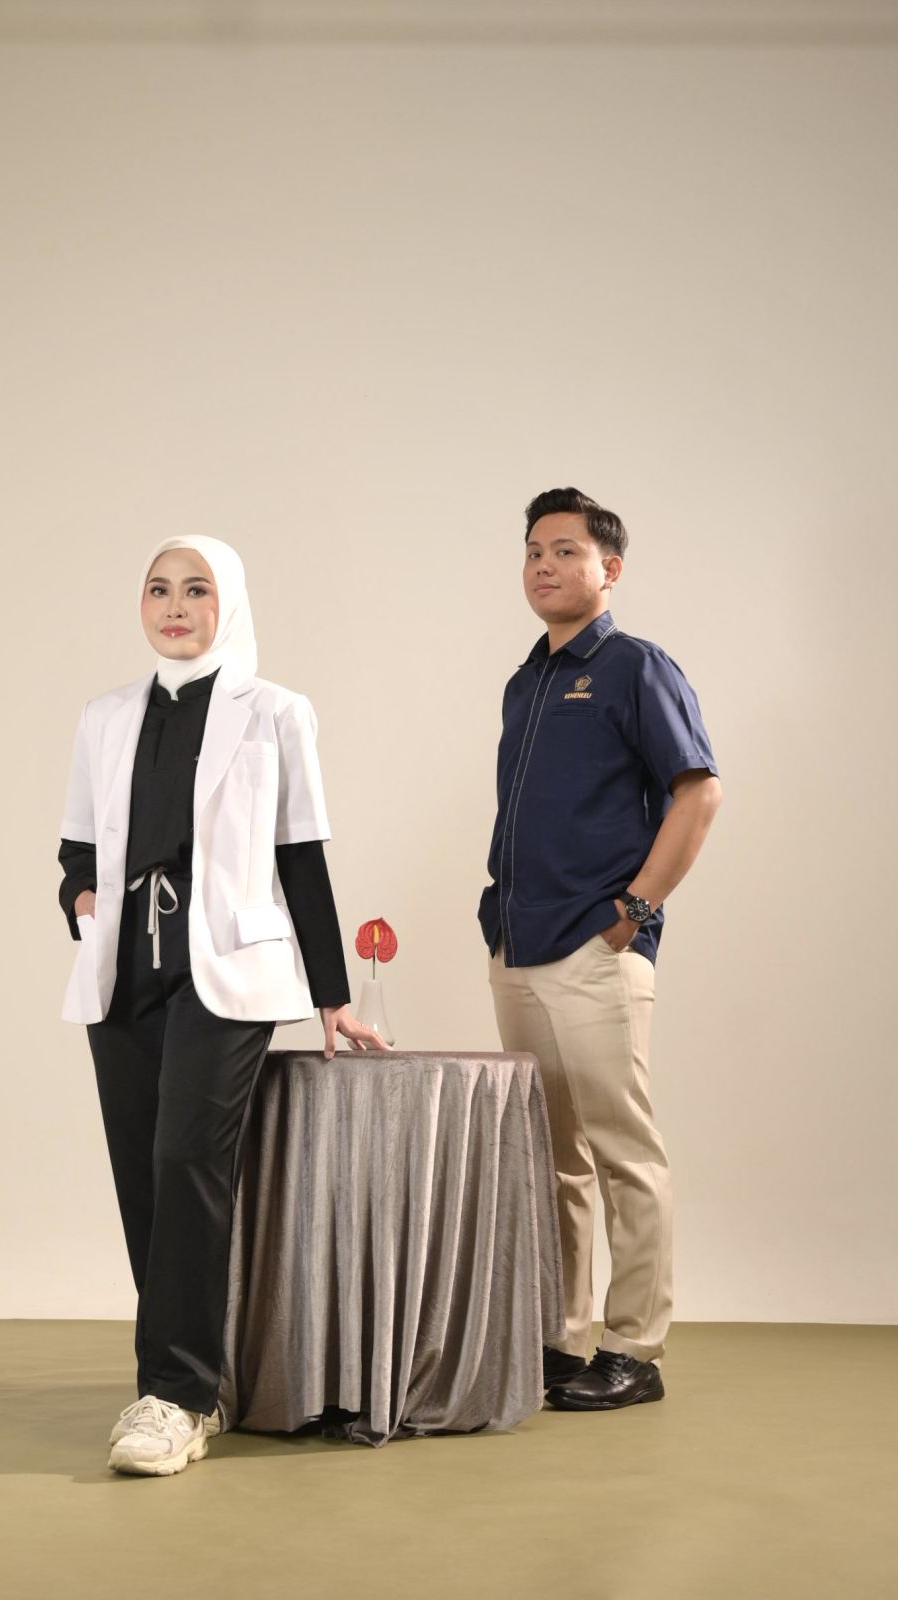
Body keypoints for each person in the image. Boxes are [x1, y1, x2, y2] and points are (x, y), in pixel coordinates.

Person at [57, 535, 389, 1475]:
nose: (175, 606)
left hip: (230, 972)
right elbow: (76, 848)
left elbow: (300, 855)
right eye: (158, 589)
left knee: (186, 1163)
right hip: (126, 969)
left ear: (226, 603)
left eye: (195, 589)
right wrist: (81, 901)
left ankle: (177, 1398)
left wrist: (331, 996)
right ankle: (186, 1378)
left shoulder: (275, 711)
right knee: (142, 1178)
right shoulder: (105, 717)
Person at [479, 487, 721, 1411]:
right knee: (552, 1160)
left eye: (565, 550)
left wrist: (633, 909)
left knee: (623, 1151)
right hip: (518, 944)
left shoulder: (633, 667)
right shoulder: (524, 681)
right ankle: (560, 1337)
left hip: (594, 945)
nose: (543, 565)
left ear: (607, 569)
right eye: (533, 551)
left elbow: (697, 792)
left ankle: (634, 1349)